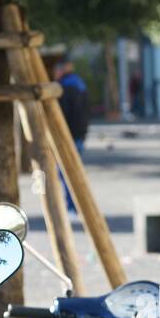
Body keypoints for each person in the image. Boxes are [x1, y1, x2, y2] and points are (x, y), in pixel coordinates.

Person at [55, 60, 89, 213]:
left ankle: (72, 206)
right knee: (74, 171)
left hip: (68, 135)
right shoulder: (79, 84)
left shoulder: (64, 87)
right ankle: (77, 205)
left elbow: (63, 114)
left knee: (67, 172)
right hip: (79, 134)